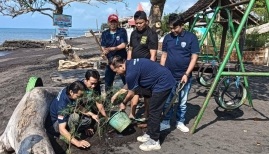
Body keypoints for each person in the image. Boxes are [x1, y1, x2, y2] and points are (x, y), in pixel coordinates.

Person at [109, 56, 176, 151]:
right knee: (149, 103)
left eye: (115, 71)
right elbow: (129, 84)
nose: (116, 73)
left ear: (121, 66)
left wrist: (123, 102)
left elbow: (131, 92)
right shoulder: (130, 64)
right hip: (158, 80)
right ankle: (150, 132)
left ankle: (154, 140)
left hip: (163, 83)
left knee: (154, 111)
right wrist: (116, 94)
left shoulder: (131, 72)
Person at [160, 14, 200, 133]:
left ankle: (180, 121)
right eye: (170, 28)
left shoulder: (191, 38)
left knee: (182, 101)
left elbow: (194, 58)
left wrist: (186, 74)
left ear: (182, 25)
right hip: (169, 75)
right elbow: (164, 55)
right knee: (167, 100)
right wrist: (162, 72)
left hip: (184, 75)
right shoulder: (167, 38)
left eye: (175, 28)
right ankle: (166, 121)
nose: (172, 30)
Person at [126, 10, 158, 120]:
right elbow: (130, 49)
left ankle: (146, 113)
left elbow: (153, 55)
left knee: (146, 93)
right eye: (137, 23)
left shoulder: (152, 34)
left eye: (141, 22)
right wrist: (128, 64)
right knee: (133, 91)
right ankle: (132, 114)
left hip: (146, 69)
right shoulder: (133, 34)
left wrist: (151, 70)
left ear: (146, 21)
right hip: (134, 67)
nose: (138, 25)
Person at [46, 81, 98, 148]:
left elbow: (77, 106)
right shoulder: (62, 106)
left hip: (64, 117)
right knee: (75, 117)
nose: (80, 98)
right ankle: (69, 135)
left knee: (88, 120)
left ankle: (73, 131)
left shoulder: (68, 90)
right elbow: (61, 129)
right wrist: (77, 143)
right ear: (71, 92)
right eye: (78, 96)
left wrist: (91, 114)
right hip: (54, 125)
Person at [101, 14, 128, 91]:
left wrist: (111, 49)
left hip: (121, 61)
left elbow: (123, 45)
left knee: (126, 80)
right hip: (110, 61)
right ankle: (109, 99)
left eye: (114, 22)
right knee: (108, 82)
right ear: (108, 23)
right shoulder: (105, 33)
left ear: (117, 22)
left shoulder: (122, 31)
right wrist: (104, 52)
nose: (113, 24)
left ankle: (129, 96)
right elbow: (103, 46)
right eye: (111, 22)